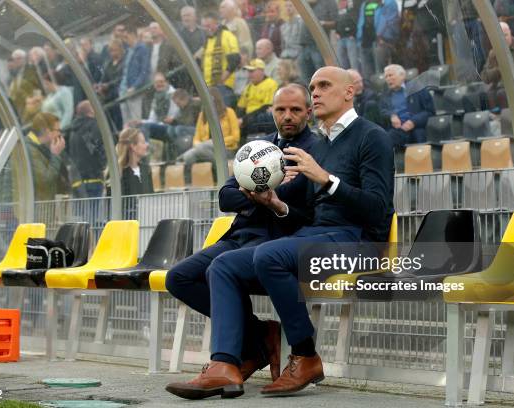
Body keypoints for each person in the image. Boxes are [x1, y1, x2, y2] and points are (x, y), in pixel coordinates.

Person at [166, 67, 394, 399]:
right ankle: (225, 365)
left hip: (359, 241)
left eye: (324, 86)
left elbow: (378, 210)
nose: (315, 92)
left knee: (268, 253)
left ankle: (305, 354)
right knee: (223, 266)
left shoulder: (371, 136)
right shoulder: (322, 145)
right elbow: (309, 214)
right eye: (313, 85)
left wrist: (326, 179)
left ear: (349, 92)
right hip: (318, 234)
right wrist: (278, 204)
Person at [165, 84, 318, 399]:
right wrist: (258, 197)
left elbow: (307, 211)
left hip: (276, 241)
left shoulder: (313, 153)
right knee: (178, 277)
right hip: (239, 236)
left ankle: (225, 363)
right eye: (280, 110)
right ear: (272, 112)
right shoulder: (259, 149)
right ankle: (259, 334)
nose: (287, 116)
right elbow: (226, 195)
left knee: (221, 269)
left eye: (295, 110)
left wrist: (274, 200)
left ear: (308, 112)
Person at [180, 87, 240, 182]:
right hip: (205, 149)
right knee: (188, 157)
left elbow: (236, 137)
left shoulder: (229, 112)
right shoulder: (202, 115)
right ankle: (200, 180)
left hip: (226, 149)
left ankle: (218, 172)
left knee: (200, 148)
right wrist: (199, 145)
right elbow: (196, 137)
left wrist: (216, 142)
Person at [380, 64, 434, 147]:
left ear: (402, 76)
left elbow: (430, 111)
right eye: (386, 77)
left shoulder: (417, 88)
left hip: (415, 128)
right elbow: (383, 111)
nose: (388, 79)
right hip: (396, 130)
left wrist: (413, 121)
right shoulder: (385, 95)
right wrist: (391, 116)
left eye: (390, 75)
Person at [200, 11, 241, 107]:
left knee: (222, 116)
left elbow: (235, 59)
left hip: (223, 87)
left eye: (209, 25)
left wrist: (221, 80)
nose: (207, 28)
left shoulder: (227, 35)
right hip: (208, 87)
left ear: (217, 24)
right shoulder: (207, 40)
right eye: (204, 26)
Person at [26, 112, 69, 201]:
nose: (60, 134)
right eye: (58, 130)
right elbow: (45, 181)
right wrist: (55, 155)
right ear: (47, 131)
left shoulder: (40, 148)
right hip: (37, 210)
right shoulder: (30, 150)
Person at [67, 101, 106, 198]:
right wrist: (103, 164)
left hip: (76, 180)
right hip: (93, 178)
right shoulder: (93, 126)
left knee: (79, 213)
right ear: (91, 111)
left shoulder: (72, 130)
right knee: (93, 212)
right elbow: (96, 149)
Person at [237, 59, 279, 140]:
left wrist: (244, 119)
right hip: (247, 119)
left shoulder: (271, 84)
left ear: (261, 71)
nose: (249, 74)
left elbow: (266, 107)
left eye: (252, 71)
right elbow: (240, 107)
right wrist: (237, 119)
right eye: (248, 71)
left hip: (261, 119)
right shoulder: (248, 87)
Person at [119, 26, 151, 125]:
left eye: (126, 37)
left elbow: (144, 70)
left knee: (135, 120)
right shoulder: (128, 50)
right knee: (126, 121)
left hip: (133, 90)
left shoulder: (142, 49)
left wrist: (135, 86)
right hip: (123, 89)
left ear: (133, 35)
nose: (125, 40)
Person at [115, 127, 153, 196]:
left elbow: (151, 198)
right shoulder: (118, 172)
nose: (147, 145)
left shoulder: (146, 169)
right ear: (133, 146)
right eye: (143, 142)